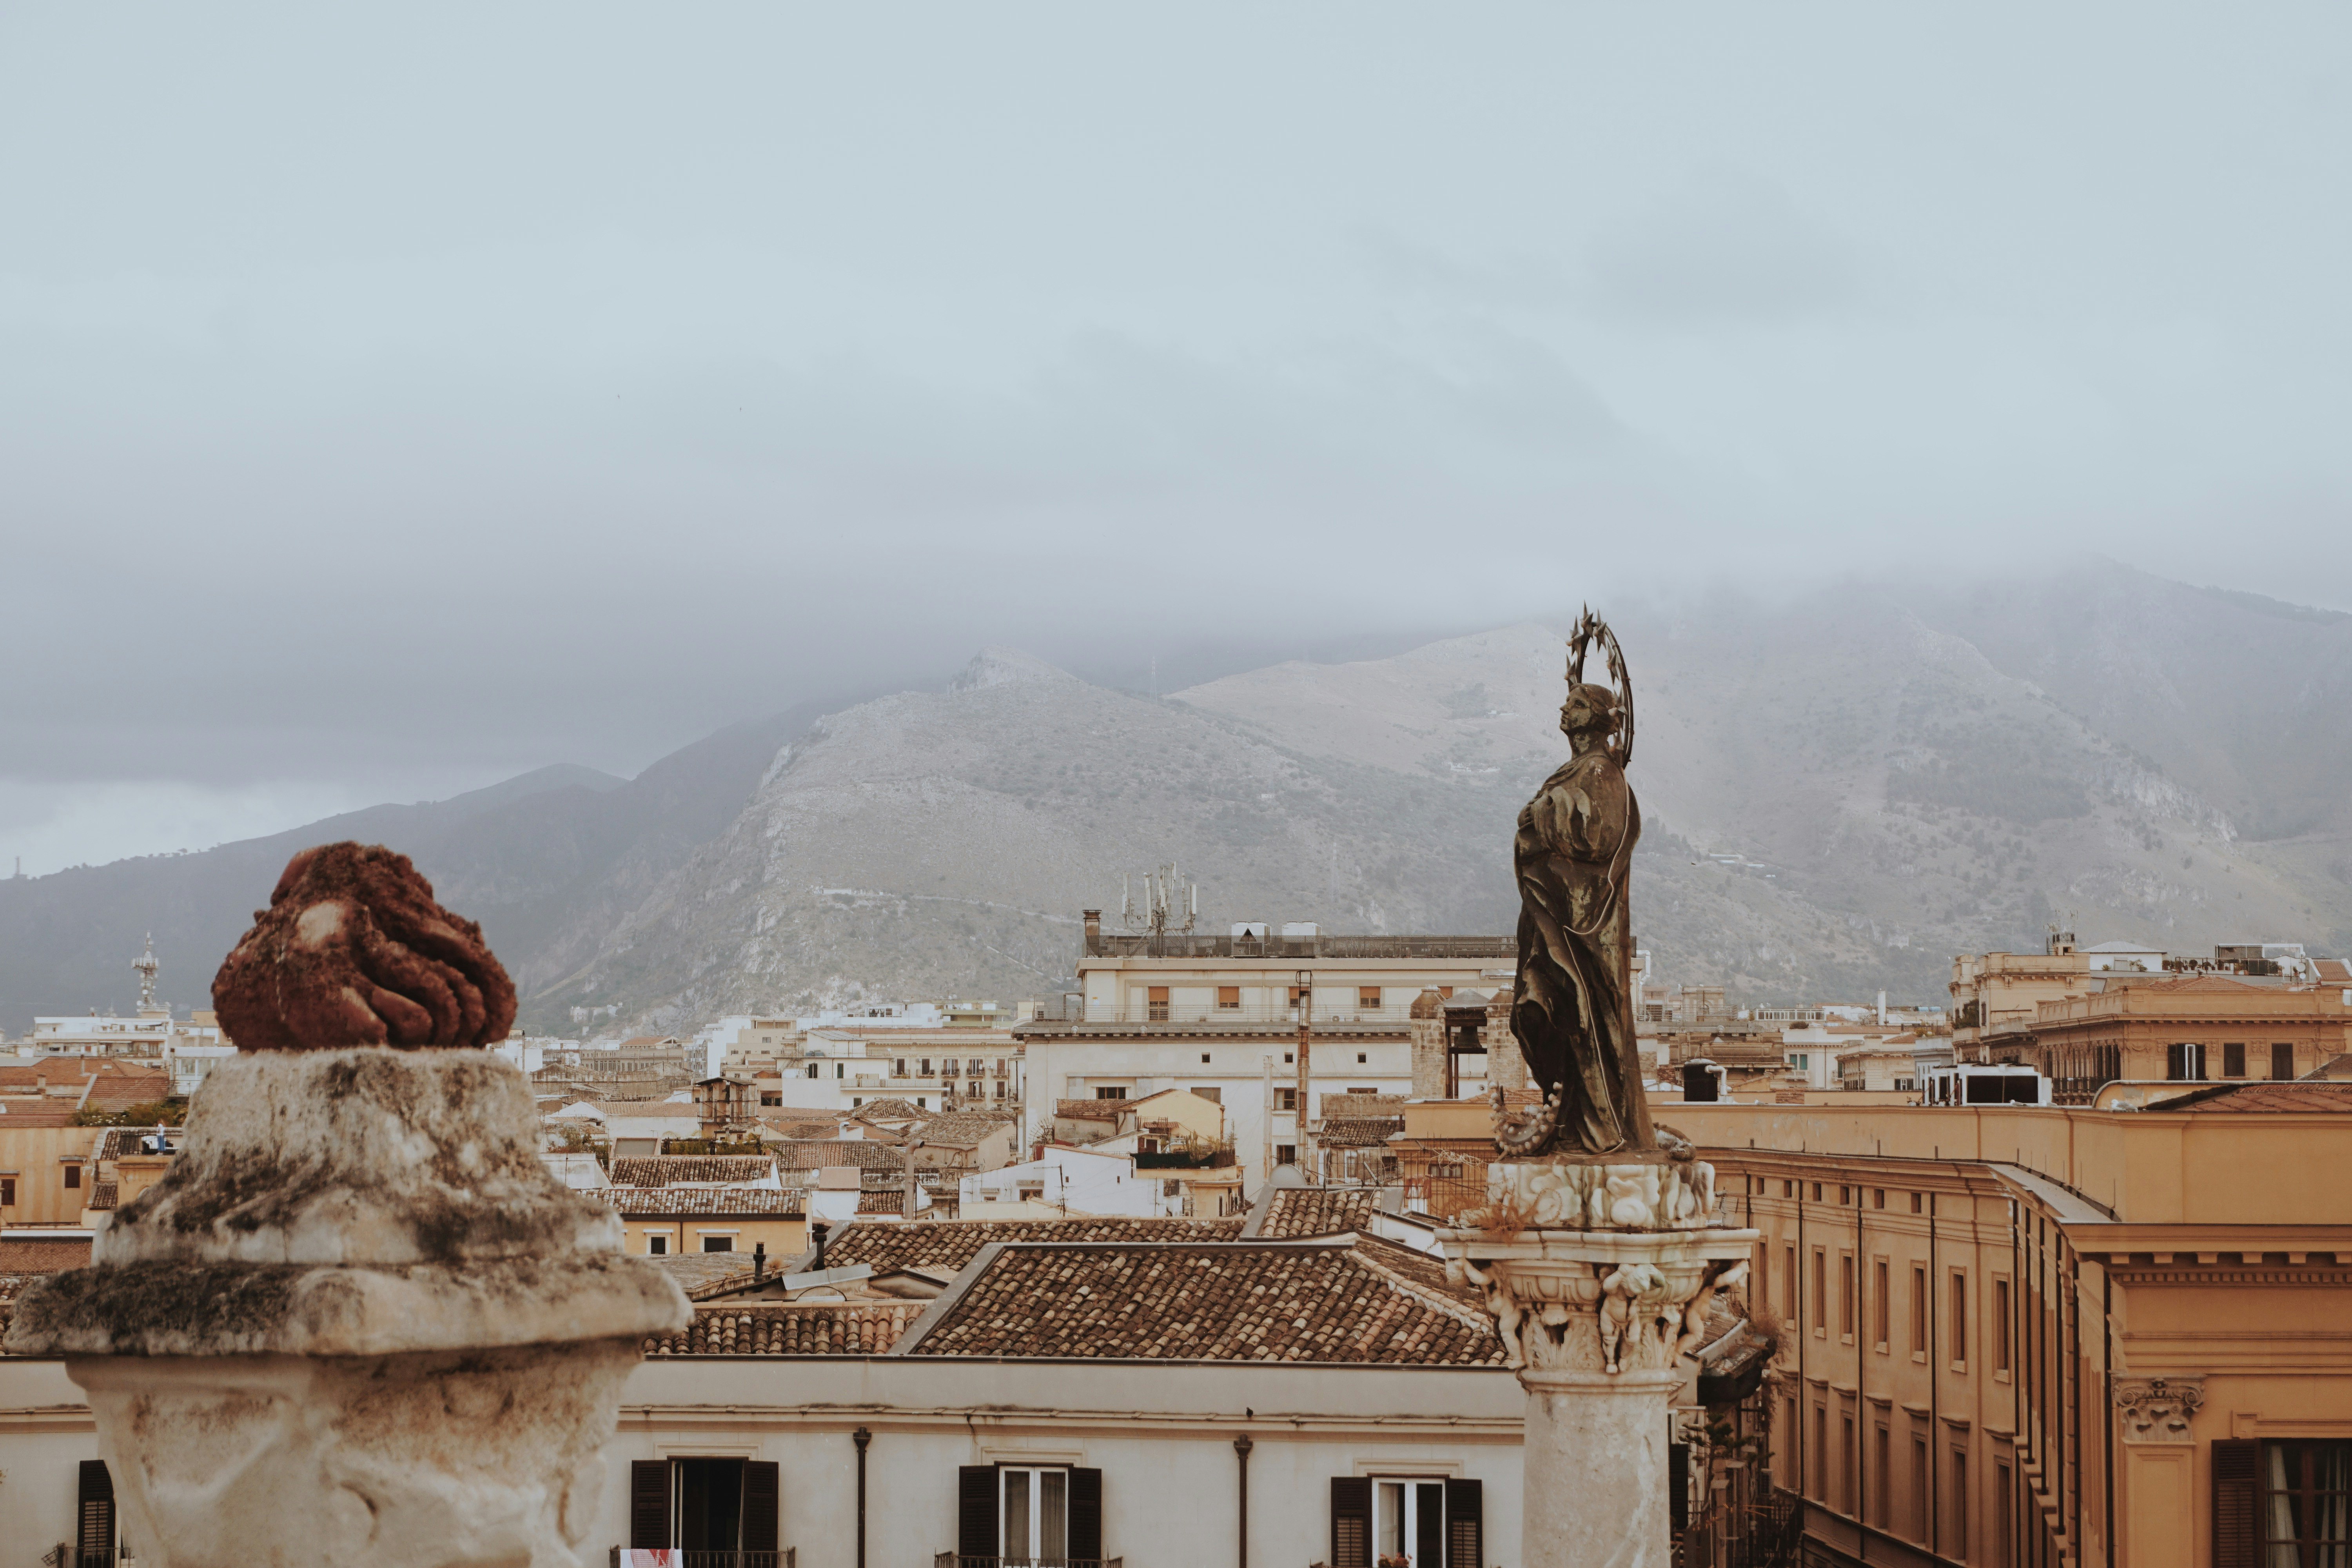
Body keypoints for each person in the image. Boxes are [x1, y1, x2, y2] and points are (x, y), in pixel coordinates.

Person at [1508, 679, 1653, 1156]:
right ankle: (1572, 1117)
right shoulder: (1577, 771)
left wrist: (1541, 811)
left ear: (1594, 716)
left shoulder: (1600, 772)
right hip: (1558, 919)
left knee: (1573, 1015)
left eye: (1574, 703)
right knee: (1537, 1014)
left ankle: (1599, 1128)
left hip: (1584, 927)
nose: (1564, 708)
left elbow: (1595, 836)